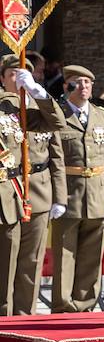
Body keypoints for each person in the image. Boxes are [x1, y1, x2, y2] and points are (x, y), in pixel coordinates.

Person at [51, 65, 104, 313]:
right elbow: (55, 160)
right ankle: (62, 306)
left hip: (98, 193)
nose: (83, 87)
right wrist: (56, 199)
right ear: (66, 86)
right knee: (65, 254)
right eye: (77, 82)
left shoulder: (103, 116)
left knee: (93, 253)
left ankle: (85, 304)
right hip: (69, 193)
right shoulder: (57, 116)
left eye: (88, 83)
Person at [0, 59, 64, 316]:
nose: (18, 78)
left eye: (23, 74)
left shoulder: (24, 107)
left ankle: (24, 319)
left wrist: (39, 93)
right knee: (5, 263)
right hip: (6, 193)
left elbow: (57, 124)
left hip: (28, 192)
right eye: (13, 73)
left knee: (30, 263)